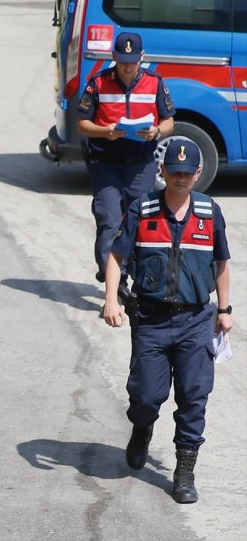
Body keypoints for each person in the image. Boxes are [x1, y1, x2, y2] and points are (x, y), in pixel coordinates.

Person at [102, 140, 233, 505]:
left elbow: (221, 263)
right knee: (146, 396)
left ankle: (184, 472)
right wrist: (112, 298)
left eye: (186, 172)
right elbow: (116, 256)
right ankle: (142, 428)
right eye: (173, 172)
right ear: (162, 172)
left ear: (197, 173)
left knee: (194, 397)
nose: (179, 178)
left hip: (195, 320)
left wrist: (225, 309)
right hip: (152, 319)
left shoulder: (209, 212)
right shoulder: (143, 209)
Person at [78, 31, 175, 288]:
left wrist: (156, 131)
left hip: (141, 166)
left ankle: (139, 279)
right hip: (106, 164)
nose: (128, 67)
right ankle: (115, 281)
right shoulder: (98, 83)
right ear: (114, 57)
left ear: (142, 57)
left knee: (142, 223)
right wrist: (104, 131)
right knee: (109, 221)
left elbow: (169, 122)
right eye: (122, 62)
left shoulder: (155, 83)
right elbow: (82, 123)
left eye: (132, 62)